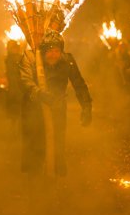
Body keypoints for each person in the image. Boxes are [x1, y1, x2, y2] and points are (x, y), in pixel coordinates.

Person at [19, 29, 92, 177]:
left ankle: (54, 181)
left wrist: (86, 106)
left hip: (58, 108)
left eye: (57, 51)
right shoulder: (31, 58)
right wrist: (40, 94)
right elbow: (25, 81)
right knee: (35, 144)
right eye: (50, 51)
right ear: (44, 51)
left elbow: (79, 84)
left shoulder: (67, 60)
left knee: (58, 143)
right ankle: (33, 180)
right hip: (35, 109)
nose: (54, 55)